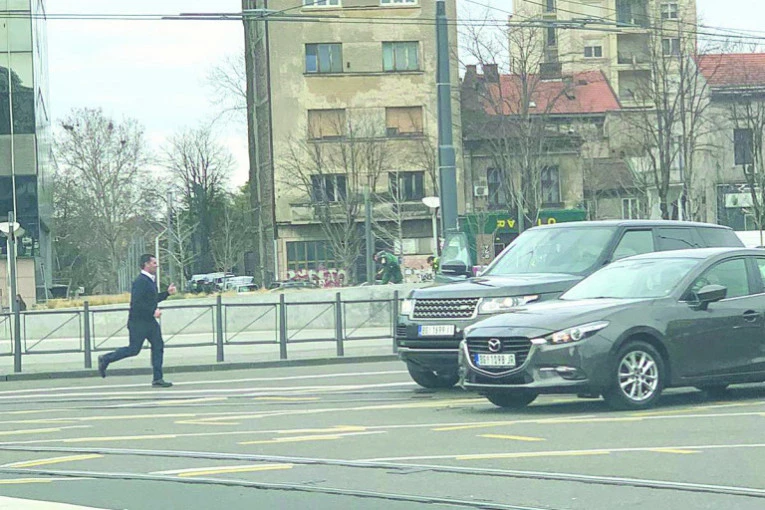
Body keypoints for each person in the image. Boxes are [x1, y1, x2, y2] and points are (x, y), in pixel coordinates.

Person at [98, 254, 177, 387]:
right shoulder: (140, 281)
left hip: (149, 322)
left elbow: (152, 299)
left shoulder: (150, 280)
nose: (157, 265)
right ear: (146, 264)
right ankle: (106, 358)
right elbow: (136, 303)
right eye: (154, 263)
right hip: (138, 323)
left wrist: (167, 293)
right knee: (134, 349)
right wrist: (152, 311)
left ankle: (158, 378)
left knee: (158, 346)